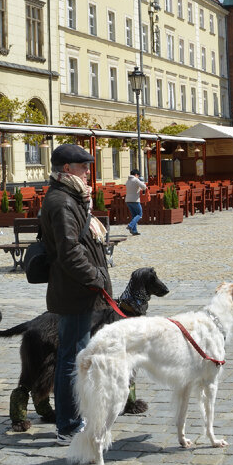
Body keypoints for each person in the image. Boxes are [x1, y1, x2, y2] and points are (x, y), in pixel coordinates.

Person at [41, 143, 112, 444]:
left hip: (80, 290)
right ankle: (68, 425)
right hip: (75, 290)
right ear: (67, 169)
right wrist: (95, 276)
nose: (88, 172)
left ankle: (72, 417)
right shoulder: (61, 201)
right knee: (73, 357)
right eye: (84, 167)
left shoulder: (73, 197)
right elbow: (69, 252)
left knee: (77, 354)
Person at [124, 168, 147, 236]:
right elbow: (144, 187)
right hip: (135, 200)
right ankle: (130, 226)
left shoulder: (127, 181)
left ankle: (134, 231)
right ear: (136, 174)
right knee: (140, 214)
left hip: (128, 200)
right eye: (138, 175)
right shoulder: (136, 180)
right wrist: (142, 183)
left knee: (134, 215)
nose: (138, 177)